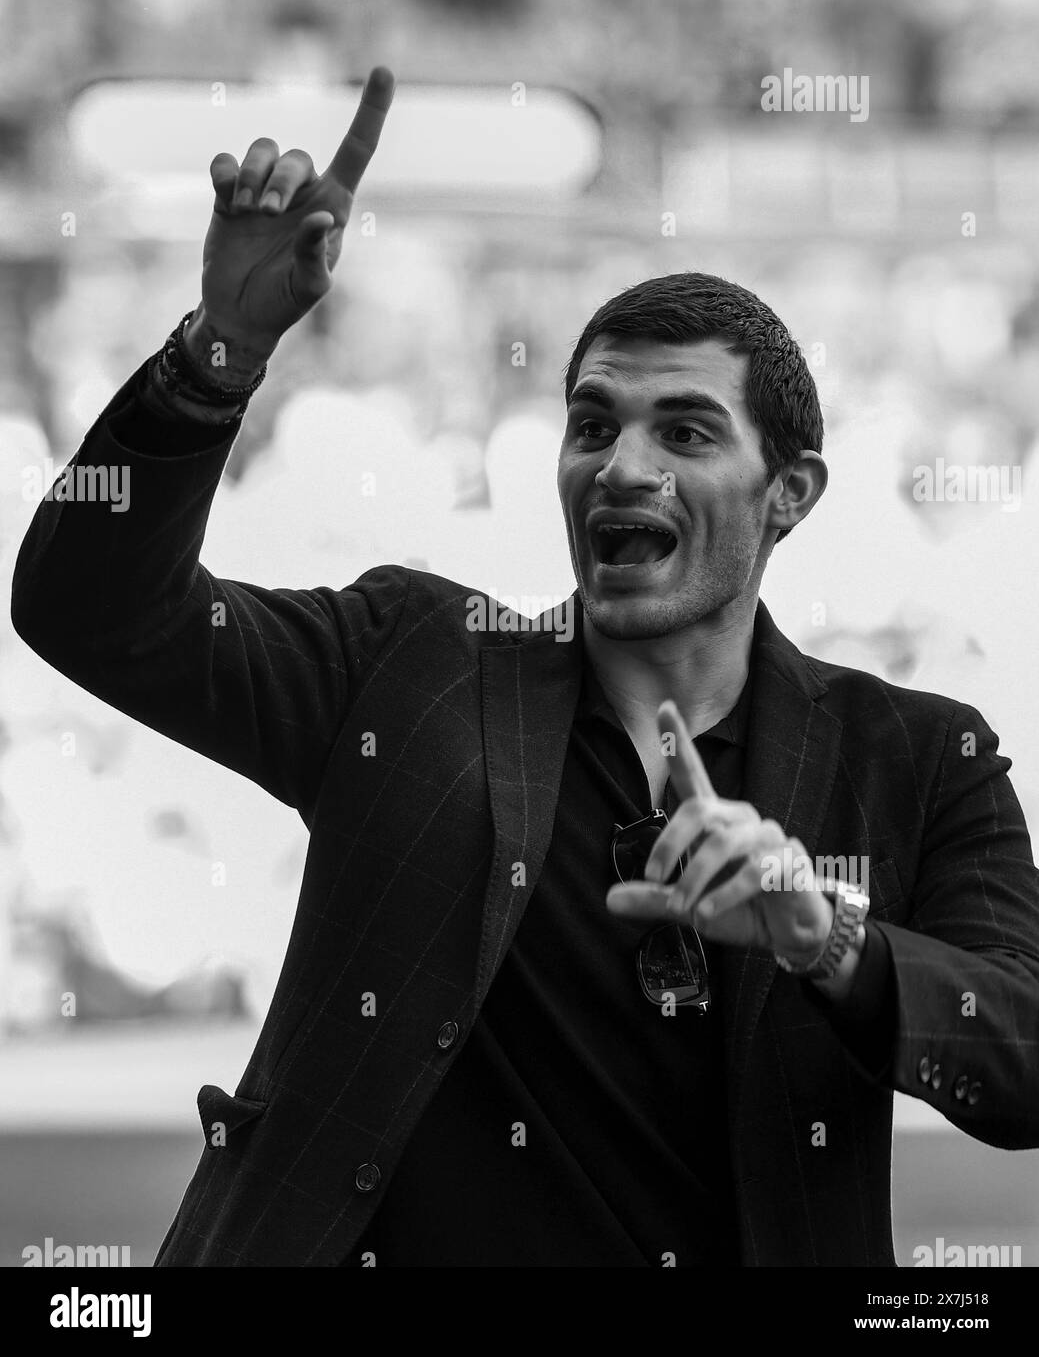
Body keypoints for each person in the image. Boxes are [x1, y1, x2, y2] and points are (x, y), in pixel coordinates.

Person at [11, 66, 1039, 1268]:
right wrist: (221, 350)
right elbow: (90, 609)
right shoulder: (408, 662)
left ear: (790, 493)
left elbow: (1017, 1064)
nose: (621, 464)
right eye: (592, 424)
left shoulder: (917, 757)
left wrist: (826, 937)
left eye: (686, 431)